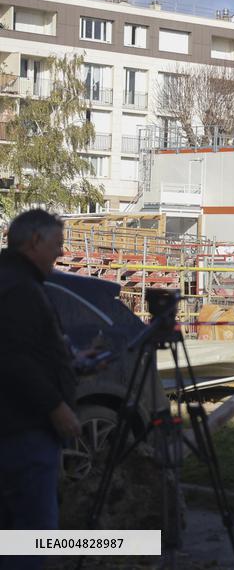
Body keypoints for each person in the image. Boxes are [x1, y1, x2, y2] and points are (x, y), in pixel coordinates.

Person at [0, 209, 79, 547]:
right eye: (57, 244)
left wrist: (74, 362)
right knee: (34, 534)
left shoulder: (15, 281)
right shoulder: (19, 289)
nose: (61, 253)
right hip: (25, 430)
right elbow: (14, 359)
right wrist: (57, 407)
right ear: (35, 241)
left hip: (15, 426)